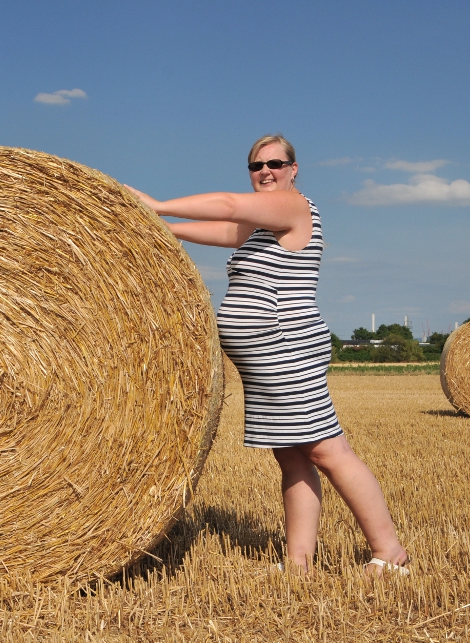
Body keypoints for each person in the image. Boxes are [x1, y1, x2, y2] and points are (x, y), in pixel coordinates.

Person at [125, 134, 409, 575]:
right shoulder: (263, 226)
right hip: (264, 357)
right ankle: (298, 562)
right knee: (292, 455)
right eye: (256, 166)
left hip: (288, 346)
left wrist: (157, 205)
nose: (266, 172)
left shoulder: (293, 206)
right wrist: (153, 225)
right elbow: (224, 230)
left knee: (328, 450)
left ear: (294, 169)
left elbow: (228, 206)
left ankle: (389, 551)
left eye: (275, 163)